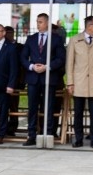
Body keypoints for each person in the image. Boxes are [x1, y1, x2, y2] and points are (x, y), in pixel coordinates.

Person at [20, 13, 66, 146]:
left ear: (47, 23)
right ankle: (31, 135)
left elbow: (61, 58)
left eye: (40, 22)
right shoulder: (31, 39)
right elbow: (23, 57)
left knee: (48, 107)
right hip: (33, 78)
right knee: (32, 108)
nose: (37, 24)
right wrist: (31, 66)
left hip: (49, 78)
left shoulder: (56, 39)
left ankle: (48, 133)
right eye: (37, 21)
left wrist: (47, 66)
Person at [65, 16, 93, 148]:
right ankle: (78, 139)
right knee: (78, 113)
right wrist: (70, 82)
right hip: (79, 82)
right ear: (89, 26)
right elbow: (69, 63)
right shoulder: (74, 40)